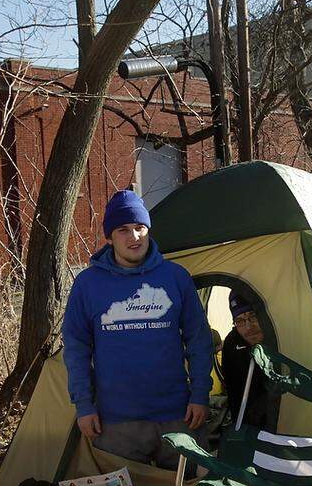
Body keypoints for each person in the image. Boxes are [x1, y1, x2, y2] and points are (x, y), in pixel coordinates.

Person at [62, 189, 212, 469]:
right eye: (123, 230)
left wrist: (200, 394)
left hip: (177, 416)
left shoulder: (175, 278)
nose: (134, 237)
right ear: (109, 237)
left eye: (140, 227)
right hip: (116, 421)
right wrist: (84, 406)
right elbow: (76, 349)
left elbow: (198, 340)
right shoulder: (88, 284)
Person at [220, 293, 281, 433]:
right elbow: (233, 391)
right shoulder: (232, 343)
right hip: (247, 422)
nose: (248, 327)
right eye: (240, 321)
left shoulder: (280, 338)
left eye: (252, 316)